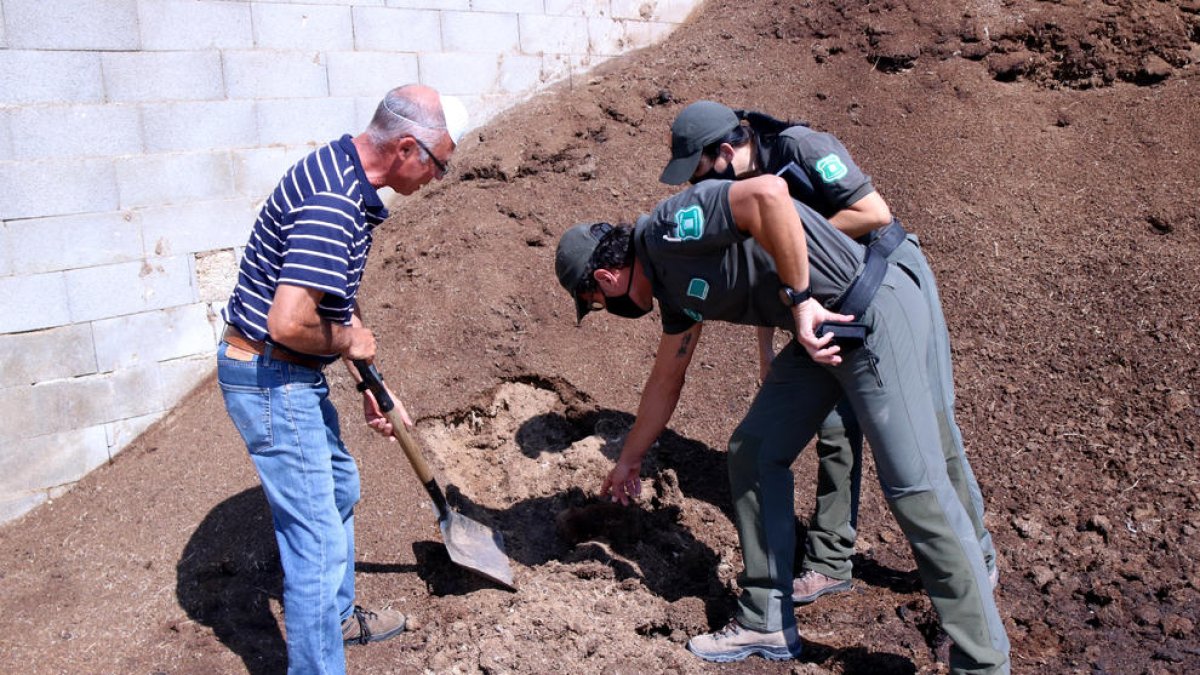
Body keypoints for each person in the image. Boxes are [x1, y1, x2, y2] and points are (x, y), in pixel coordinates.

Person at [553, 174, 1010, 672]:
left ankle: (984, 663)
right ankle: (767, 618)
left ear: (604, 280)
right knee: (753, 451)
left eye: (597, 305)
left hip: (868, 308)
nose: (608, 310)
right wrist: (629, 461)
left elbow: (768, 193)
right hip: (825, 331)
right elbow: (666, 380)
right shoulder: (672, 293)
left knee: (916, 491)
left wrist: (800, 297)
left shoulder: (668, 229)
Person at [660, 100, 997, 604]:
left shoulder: (801, 147)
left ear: (727, 150)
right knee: (835, 428)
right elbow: (770, 280)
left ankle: (979, 558)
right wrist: (767, 351)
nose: (696, 189)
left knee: (933, 421)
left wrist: (794, 240)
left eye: (700, 172)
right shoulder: (740, 190)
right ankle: (830, 559)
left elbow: (873, 213)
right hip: (822, 303)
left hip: (888, 281)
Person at [216, 84, 468, 674]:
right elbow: (289, 322)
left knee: (338, 489)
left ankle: (335, 619)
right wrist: (352, 342)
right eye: (438, 165)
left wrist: (371, 383)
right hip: (272, 377)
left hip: (287, 372)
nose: (436, 179)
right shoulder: (334, 201)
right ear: (407, 147)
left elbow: (332, 302)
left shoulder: (344, 173)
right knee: (318, 547)